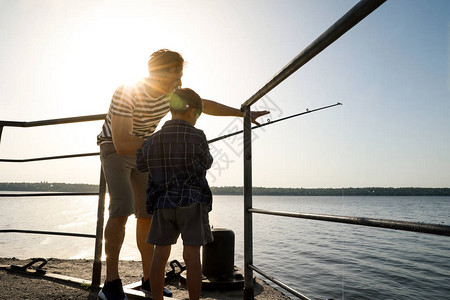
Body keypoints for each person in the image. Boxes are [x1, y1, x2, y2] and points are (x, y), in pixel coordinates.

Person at [97, 49, 268, 300]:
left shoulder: (171, 94)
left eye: (180, 75)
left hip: (147, 149)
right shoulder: (127, 91)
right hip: (115, 147)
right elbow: (123, 142)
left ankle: (147, 280)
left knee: (146, 215)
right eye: (174, 75)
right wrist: (167, 144)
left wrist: (242, 114)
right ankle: (111, 282)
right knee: (121, 209)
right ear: (157, 72)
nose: (178, 82)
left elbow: (202, 104)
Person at [136, 88, 212, 300]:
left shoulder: (152, 139)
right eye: (198, 116)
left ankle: (157, 298)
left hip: (163, 204)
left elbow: (141, 164)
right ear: (192, 112)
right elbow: (207, 162)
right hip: (192, 202)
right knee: (192, 255)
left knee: (159, 256)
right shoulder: (198, 136)